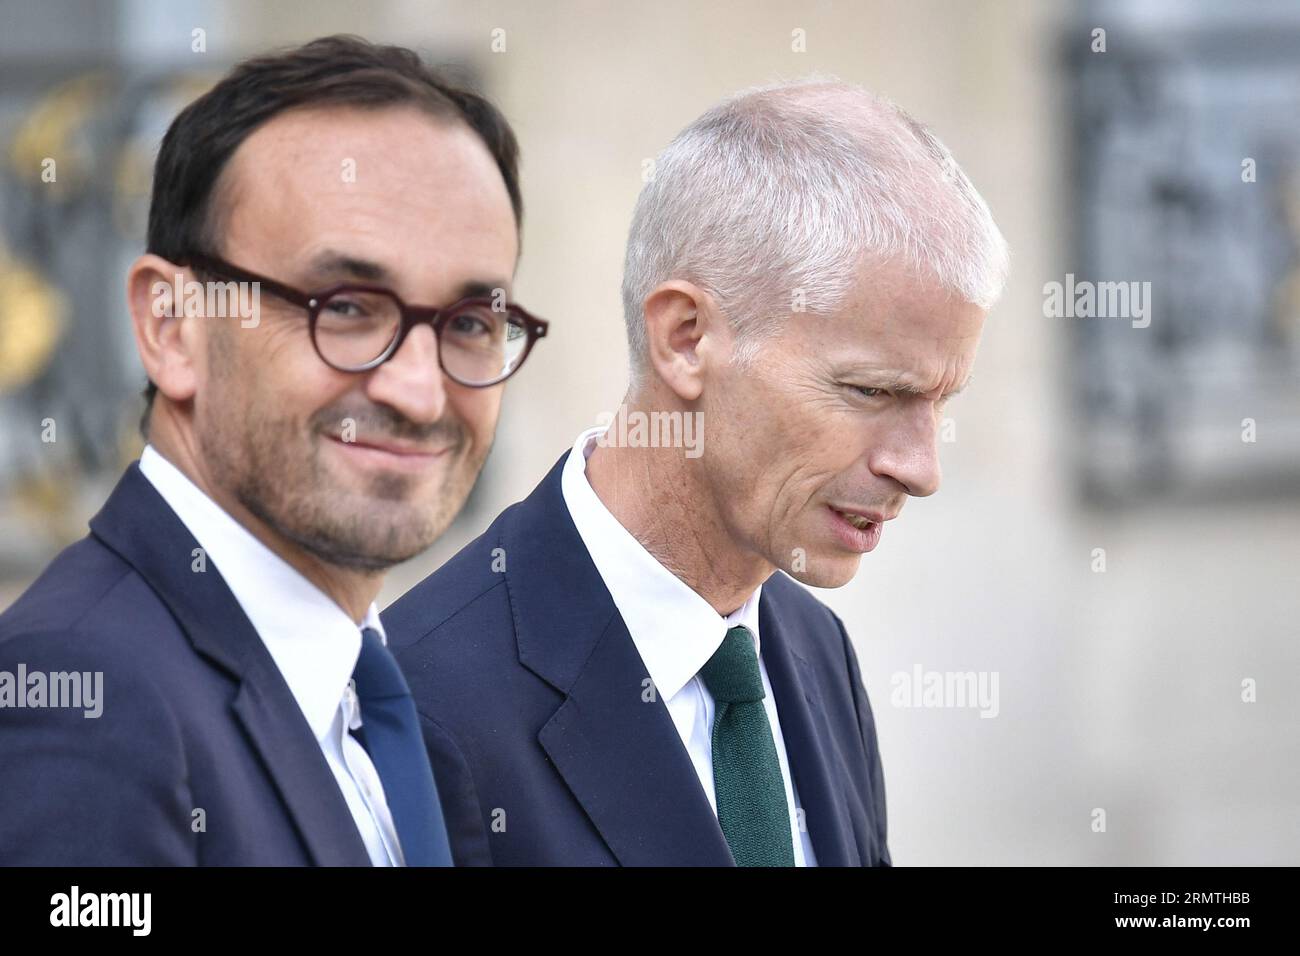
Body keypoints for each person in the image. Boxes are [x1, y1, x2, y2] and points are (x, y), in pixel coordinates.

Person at [384, 79, 1009, 866]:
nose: (920, 469)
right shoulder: (424, 708)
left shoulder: (814, 650)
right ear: (684, 339)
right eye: (872, 391)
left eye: (940, 402)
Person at [0, 35, 546, 865]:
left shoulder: (387, 702)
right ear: (171, 327)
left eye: (470, 324)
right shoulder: (85, 701)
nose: (419, 393)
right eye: (348, 306)